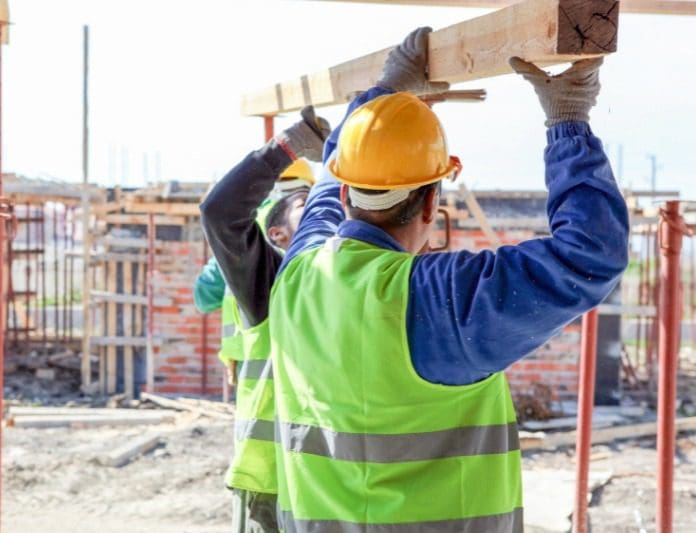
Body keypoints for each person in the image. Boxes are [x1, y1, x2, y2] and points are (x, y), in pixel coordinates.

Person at [268, 27, 629, 531]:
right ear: (433, 203)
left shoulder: (298, 272)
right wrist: (567, 120)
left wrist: (385, 97)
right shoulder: (435, 299)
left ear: (348, 193)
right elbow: (590, 254)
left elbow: (330, 181)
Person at [199, 110, 330, 532]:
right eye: (307, 207)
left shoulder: (355, 282)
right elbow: (220, 213)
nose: (325, 215)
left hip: (337, 483)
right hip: (275, 480)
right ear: (278, 237)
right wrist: (288, 145)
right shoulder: (274, 284)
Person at [194, 160, 316, 382]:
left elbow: (204, 295)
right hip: (309, 360)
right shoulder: (318, 219)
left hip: (250, 358)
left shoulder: (241, 226)